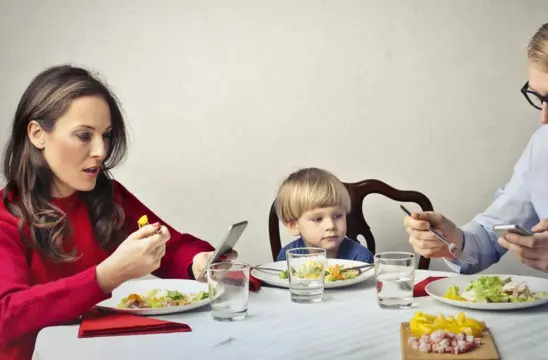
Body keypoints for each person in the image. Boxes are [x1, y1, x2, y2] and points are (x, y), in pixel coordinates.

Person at [404, 10, 548, 360]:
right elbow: (494, 233)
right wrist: (451, 240)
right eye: (539, 97)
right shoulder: (543, 146)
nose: (545, 117)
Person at [0, 65, 237, 360]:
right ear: (37, 134)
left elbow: (174, 248)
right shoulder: (5, 216)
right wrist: (105, 277)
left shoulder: (107, 197)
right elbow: (6, 316)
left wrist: (197, 262)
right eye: (84, 135)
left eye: (107, 135)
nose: (101, 150)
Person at [275, 167, 373, 263]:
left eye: (338, 216)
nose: (330, 225)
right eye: (318, 219)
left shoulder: (361, 259)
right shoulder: (287, 258)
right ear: (294, 226)